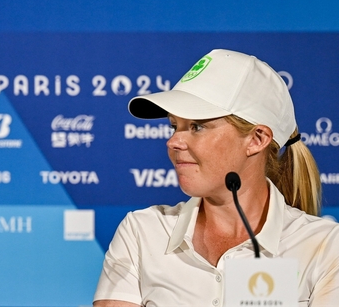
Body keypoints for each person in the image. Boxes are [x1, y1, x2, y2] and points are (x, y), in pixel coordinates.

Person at [94, 49, 339, 307]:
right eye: (174, 126)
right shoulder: (142, 232)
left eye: (197, 127)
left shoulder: (325, 246)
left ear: (257, 139)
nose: (173, 141)